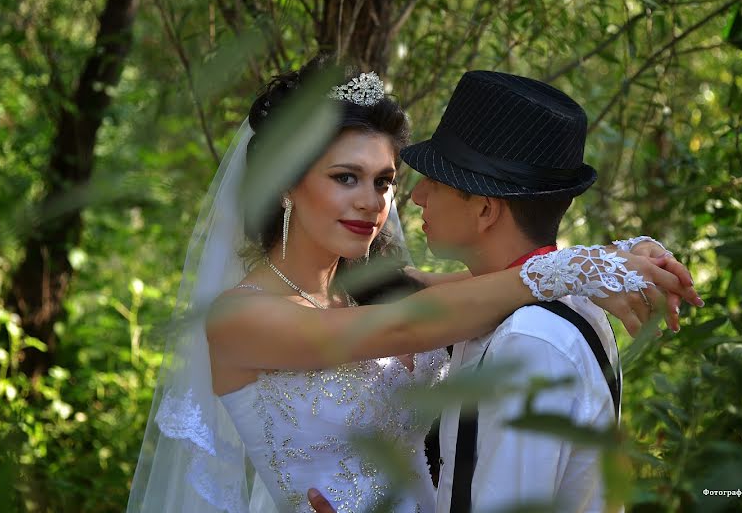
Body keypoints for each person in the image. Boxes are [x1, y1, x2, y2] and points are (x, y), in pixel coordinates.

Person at [127, 55, 701, 513]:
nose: (371, 203)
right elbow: (417, 322)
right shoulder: (238, 317)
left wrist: (603, 267)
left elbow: (482, 288)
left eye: (383, 181)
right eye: (345, 177)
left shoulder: (381, 288)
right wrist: (574, 268)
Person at [306, 70, 704, 513]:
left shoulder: (528, 341)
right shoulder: (550, 299)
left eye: (436, 180)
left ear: (484, 209)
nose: (416, 197)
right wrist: (606, 259)